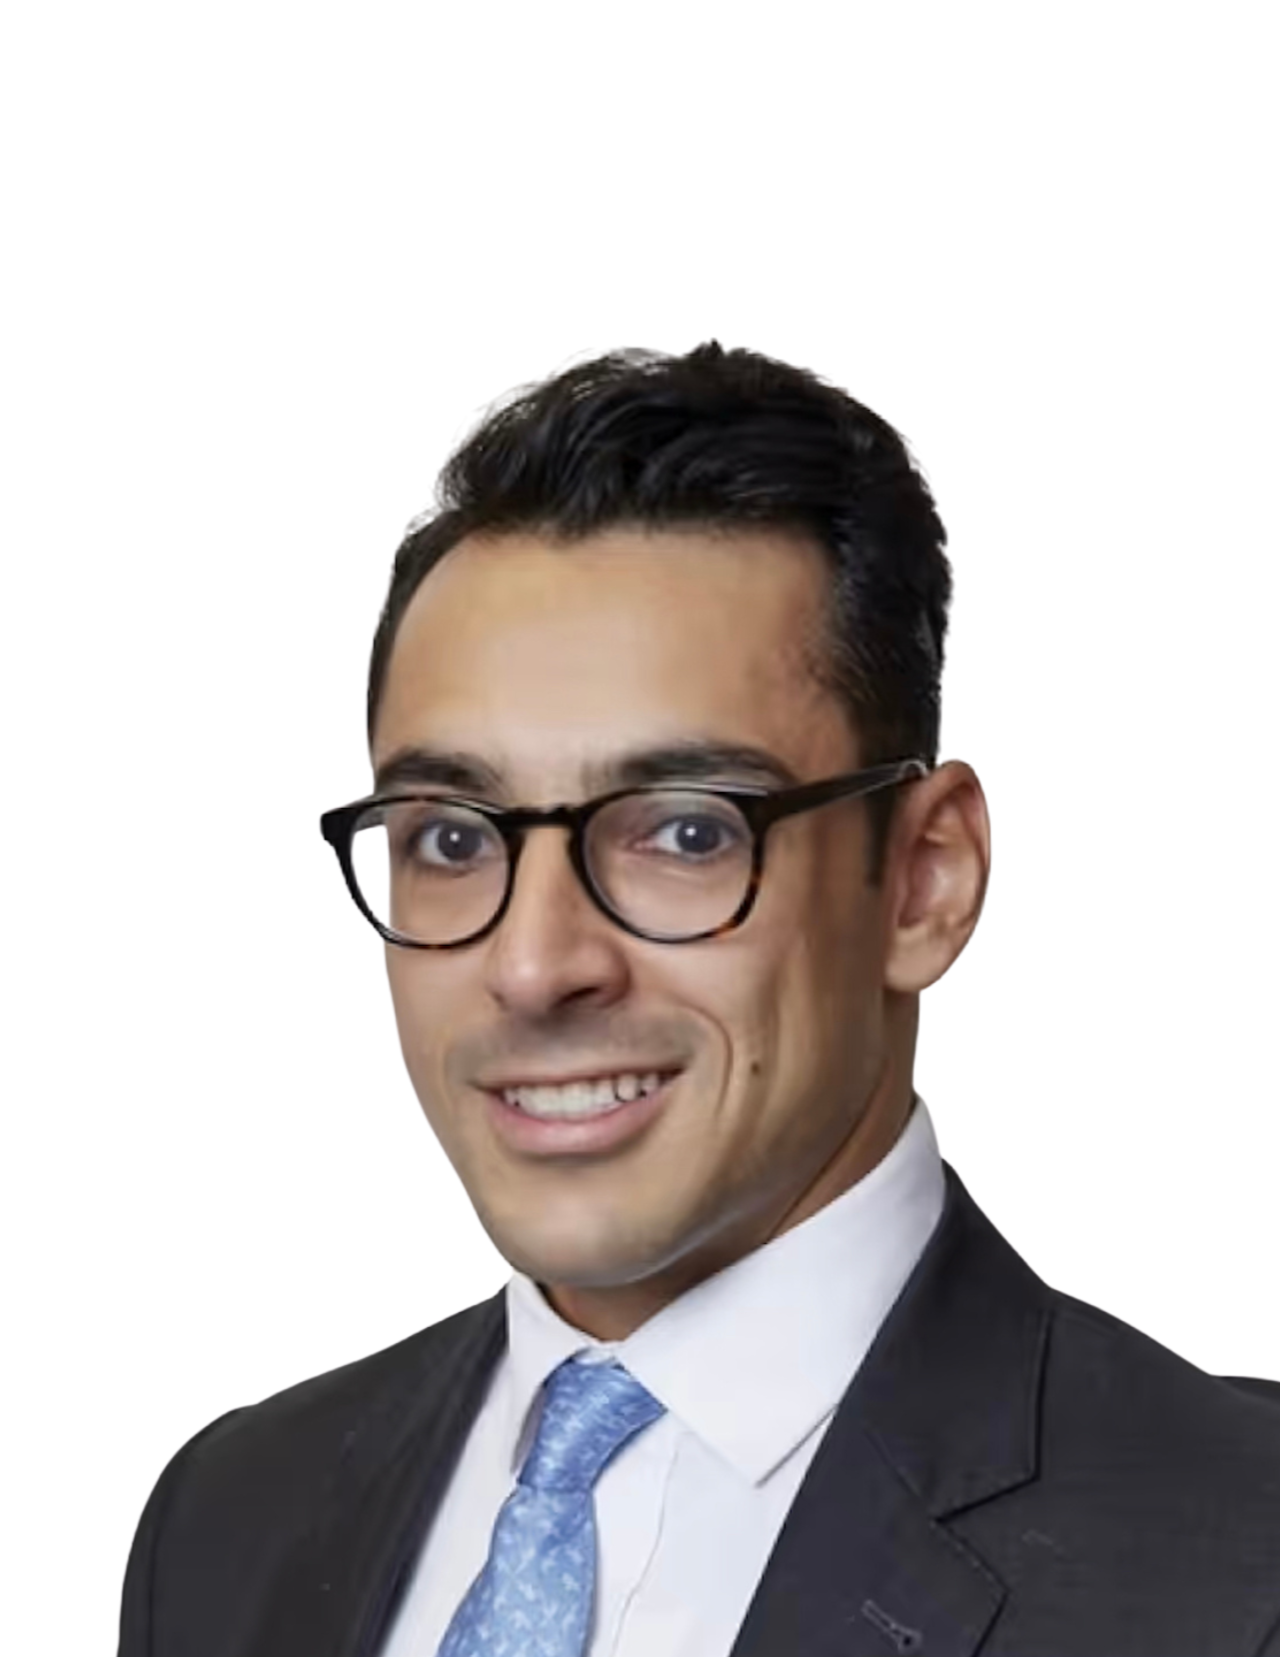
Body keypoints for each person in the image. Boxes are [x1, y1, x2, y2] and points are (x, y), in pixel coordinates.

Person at [117, 344, 1280, 1657]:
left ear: (922, 880)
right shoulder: (225, 1525)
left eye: (682, 832)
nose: (536, 963)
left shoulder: (1241, 1556)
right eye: (451, 837)